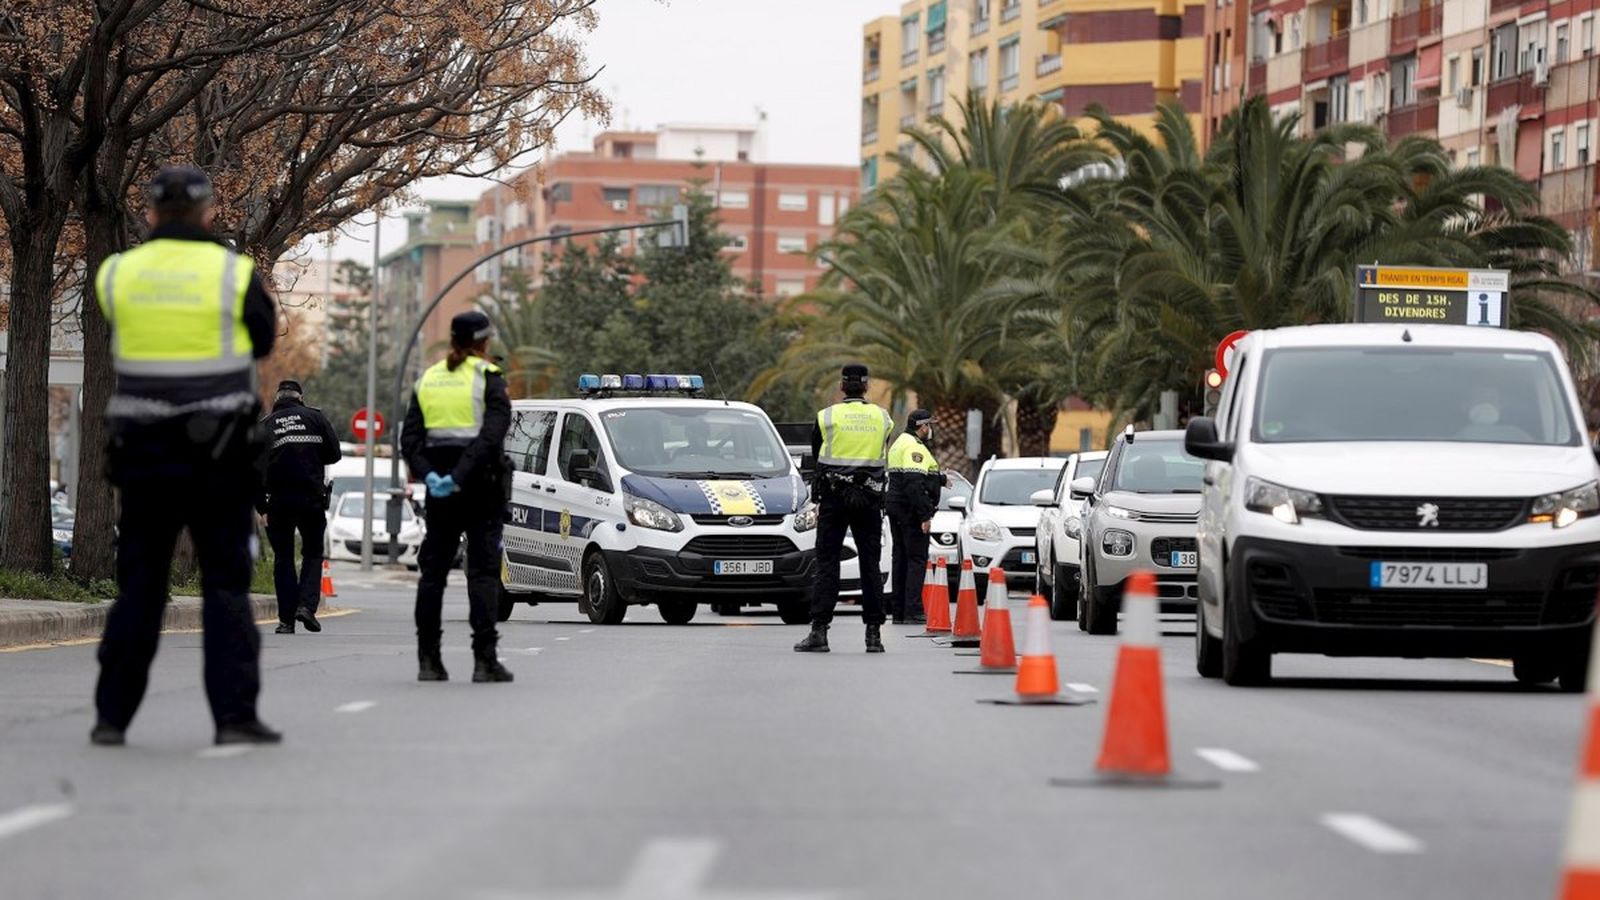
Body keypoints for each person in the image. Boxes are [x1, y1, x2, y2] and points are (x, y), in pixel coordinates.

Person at [90, 165, 281, 747]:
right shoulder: (234, 273)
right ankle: (233, 718)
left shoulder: (116, 274)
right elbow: (265, 339)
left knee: (141, 585)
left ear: (148, 213)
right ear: (209, 211)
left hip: (144, 453)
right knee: (225, 585)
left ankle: (112, 719)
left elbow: (113, 322)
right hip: (218, 453)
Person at [401, 310, 514, 683]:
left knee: (432, 575)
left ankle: (427, 661)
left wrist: (432, 476)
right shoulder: (489, 378)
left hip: (441, 495)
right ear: (483, 342)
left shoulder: (428, 379)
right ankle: (485, 661)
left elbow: (411, 440)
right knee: (482, 574)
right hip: (482, 489)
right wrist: (461, 475)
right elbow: (492, 436)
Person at [794, 363, 895, 654]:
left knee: (827, 563)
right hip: (870, 498)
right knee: (870, 565)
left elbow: (817, 454)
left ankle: (819, 632)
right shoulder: (882, 418)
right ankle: (874, 635)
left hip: (835, 498)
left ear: (841, 386)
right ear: (866, 387)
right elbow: (881, 450)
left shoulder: (827, 417)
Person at [257, 379, 342, 634]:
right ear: (300, 398)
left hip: (278, 502)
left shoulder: (265, 426)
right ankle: (306, 607)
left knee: (283, 558)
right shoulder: (315, 418)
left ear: (277, 399)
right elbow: (334, 454)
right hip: (311, 499)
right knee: (313, 553)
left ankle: (286, 621)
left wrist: (261, 508)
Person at [885, 410, 943, 625]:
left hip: (896, 507)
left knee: (900, 559)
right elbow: (913, 482)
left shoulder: (900, 442)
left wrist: (940, 478)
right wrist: (925, 514)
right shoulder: (914, 447)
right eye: (930, 426)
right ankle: (913, 611)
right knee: (916, 560)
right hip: (910, 511)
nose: (931, 430)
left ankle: (899, 611)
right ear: (923, 427)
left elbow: (907, 477)